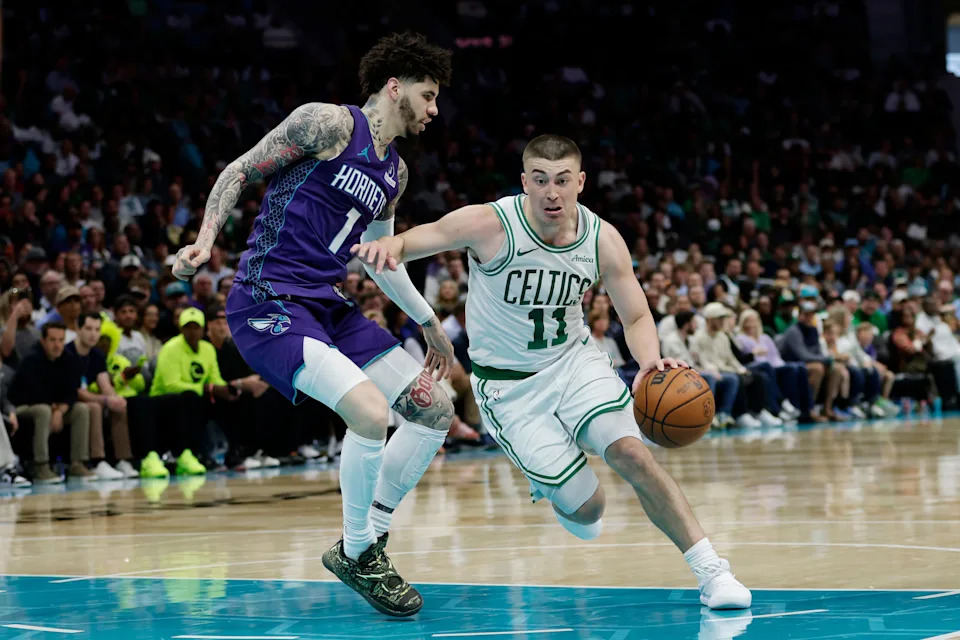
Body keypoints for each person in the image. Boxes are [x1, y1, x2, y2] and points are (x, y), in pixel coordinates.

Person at [352, 134, 752, 610]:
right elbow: (426, 236)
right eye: (540, 180)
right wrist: (391, 244)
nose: (551, 193)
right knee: (590, 511)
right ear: (525, 182)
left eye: (562, 181)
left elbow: (637, 315)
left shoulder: (602, 238)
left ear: (580, 182)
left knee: (632, 454)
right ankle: (561, 489)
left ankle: (713, 572)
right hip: (509, 389)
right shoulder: (490, 223)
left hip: (574, 362)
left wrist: (649, 361)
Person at [172, 32, 456, 617]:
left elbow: (381, 258)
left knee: (436, 409)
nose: (434, 111)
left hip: (326, 304)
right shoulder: (326, 125)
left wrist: (428, 322)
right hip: (266, 300)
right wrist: (205, 240)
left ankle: (366, 538)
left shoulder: (394, 175)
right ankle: (358, 553)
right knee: (372, 413)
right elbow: (240, 170)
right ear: (395, 88)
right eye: (428, 96)